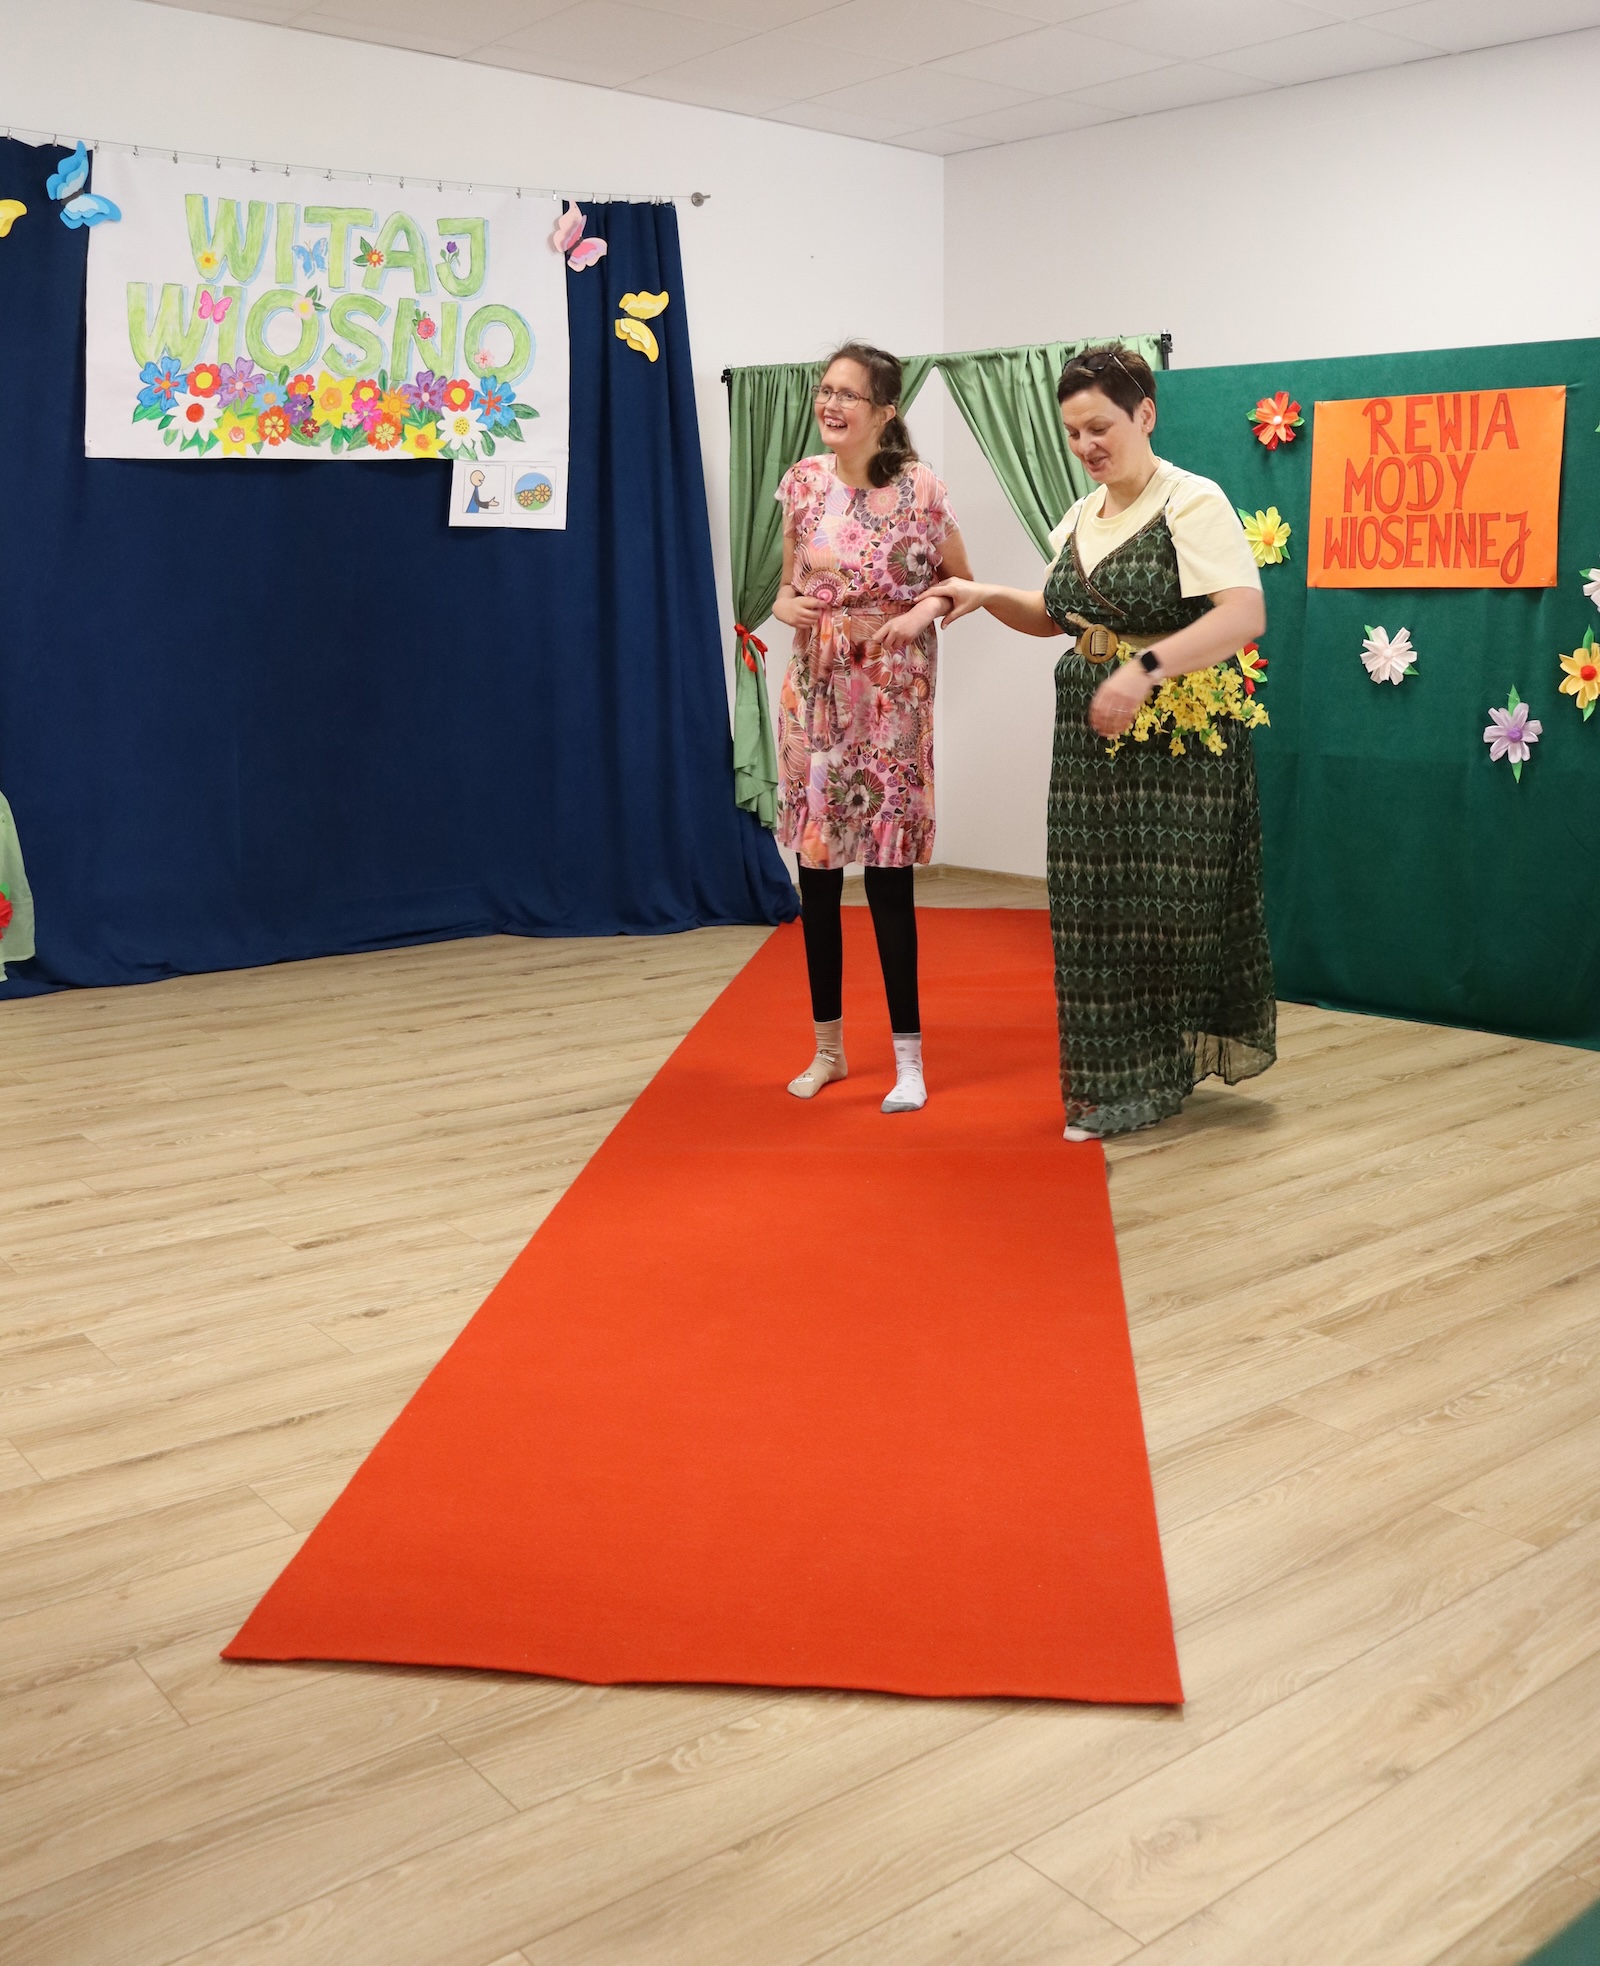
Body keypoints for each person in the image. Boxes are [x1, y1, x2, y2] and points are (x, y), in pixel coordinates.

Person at [930, 343, 1275, 1140]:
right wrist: (986, 594)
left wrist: (1144, 670)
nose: (1086, 446)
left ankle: (1153, 1071)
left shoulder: (1192, 500)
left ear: (1144, 414)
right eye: (1073, 433)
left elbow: (1243, 615)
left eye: (1099, 428)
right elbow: (1059, 616)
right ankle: (1110, 1084)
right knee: (1092, 907)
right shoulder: (1081, 515)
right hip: (1091, 741)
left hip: (1179, 740)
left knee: (1161, 912)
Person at [773, 342, 973, 1114]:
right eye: (825, 389)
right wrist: (788, 606)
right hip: (816, 697)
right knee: (818, 876)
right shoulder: (802, 482)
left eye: (847, 394)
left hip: (890, 700)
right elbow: (786, 588)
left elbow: (960, 583)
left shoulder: (922, 489)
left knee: (889, 878)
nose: (830, 404)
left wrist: (923, 610)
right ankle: (827, 1051)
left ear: (885, 412)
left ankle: (908, 1061)